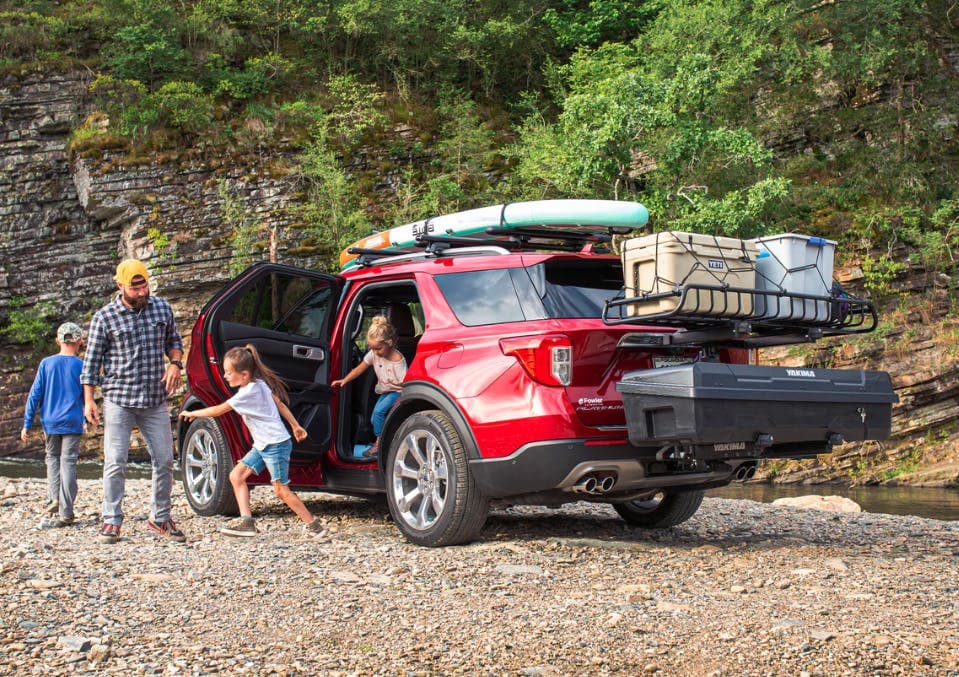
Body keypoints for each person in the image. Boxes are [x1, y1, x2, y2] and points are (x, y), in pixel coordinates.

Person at [81, 259, 186, 544]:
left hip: (154, 399)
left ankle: (160, 518)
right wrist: (89, 401)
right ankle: (111, 521)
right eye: (135, 287)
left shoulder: (162, 308)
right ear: (120, 286)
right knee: (115, 461)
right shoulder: (105, 317)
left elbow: (174, 342)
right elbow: (90, 364)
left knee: (165, 459)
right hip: (119, 399)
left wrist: (175, 364)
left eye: (145, 285)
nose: (142, 292)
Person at [178, 344, 326, 538]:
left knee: (281, 490)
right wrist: (295, 425)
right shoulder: (259, 384)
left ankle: (314, 526)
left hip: (275, 444)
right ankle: (247, 522)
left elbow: (218, 411)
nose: (225, 376)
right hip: (264, 444)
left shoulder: (247, 393)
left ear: (244, 374)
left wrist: (193, 412)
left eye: (229, 373)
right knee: (236, 476)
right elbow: (279, 404)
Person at [21, 322, 86, 528]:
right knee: (68, 462)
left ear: (58, 341)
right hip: (73, 421)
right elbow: (88, 393)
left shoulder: (46, 364)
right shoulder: (82, 365)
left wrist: (27, 423)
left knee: (52, 459)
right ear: (80, 341)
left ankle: (53, 498)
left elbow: (35, 395)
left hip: (51, 421)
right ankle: (66, 512)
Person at [330, 315, 407, 458]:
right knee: (374, 418)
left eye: (378, 348)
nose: (375, 352)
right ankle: (382, 440)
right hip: (385, 391)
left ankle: (380, 444)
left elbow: (406, 382)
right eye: (371, 348)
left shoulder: (398, 360)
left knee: (378, 413)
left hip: (398, 391)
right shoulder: (374, 354)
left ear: (389, 343)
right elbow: (360, 369)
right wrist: (344, 380)